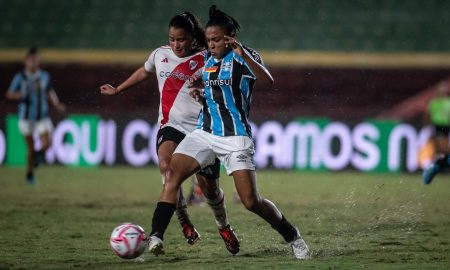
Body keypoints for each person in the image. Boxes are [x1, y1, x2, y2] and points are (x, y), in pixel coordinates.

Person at [147, 5, 310, 259]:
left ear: (230, 37)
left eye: (216, 40)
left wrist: (243, 54)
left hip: (235, 137)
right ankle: (156, 236)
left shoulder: (243, 57)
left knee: (250, 201)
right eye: (209, 40)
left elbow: (268, 80)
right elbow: (215, 88)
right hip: (205, 132)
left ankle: (293, 236)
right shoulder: (208, 59)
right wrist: (201, 90)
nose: (210, 45)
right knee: (171, 175)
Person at [99, 12, 239, 254]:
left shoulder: (206, 57)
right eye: (172, 39)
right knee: (167, 170)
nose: (176, 45)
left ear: (192, 38)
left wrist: (205, 89)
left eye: (181, 40)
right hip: (170, 126)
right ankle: (180, 223)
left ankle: (223, 226)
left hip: (202, 130)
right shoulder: (159, 55)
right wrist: (118, 89)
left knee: (211, 190)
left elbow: (223, 81)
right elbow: (145, 71)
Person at [6, 47, 66, 185]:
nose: (33, 62)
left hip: (42, 116)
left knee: (48, 143)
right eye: (31, 60)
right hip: (26, 117)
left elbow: (50, 91)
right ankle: (30, 173)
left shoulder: (44, 76)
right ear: (26, 62)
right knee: (30, 147)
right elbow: (9, 93)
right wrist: (19, 95)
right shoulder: (20, 77)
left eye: (35, 60)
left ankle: (38, 156)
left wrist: (57, 104)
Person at [422, 82, 450, 184]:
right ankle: (436, 165)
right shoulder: (435, 103)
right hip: (438, 125)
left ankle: (437, 165)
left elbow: (427, 114)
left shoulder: (440, 102)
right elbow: (428, 114)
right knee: (440, 148)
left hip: (445, 126)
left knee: (442, 148)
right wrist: (428, 125)